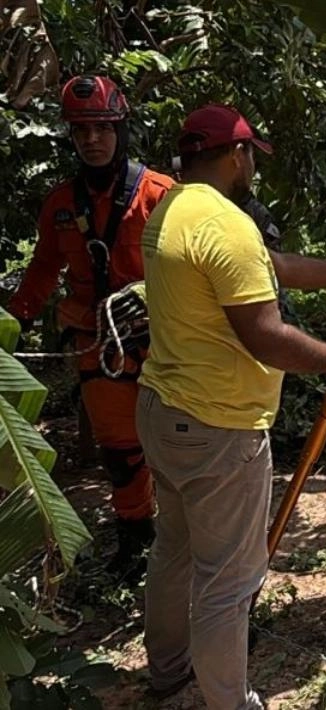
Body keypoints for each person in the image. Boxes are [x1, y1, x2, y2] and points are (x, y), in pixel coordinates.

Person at [136, 104, 326, 708]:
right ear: (236, 155)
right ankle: (227, 700)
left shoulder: (170, 209)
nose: (252, 166)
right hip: (217, 426)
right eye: (251, 155)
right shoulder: (227, 226)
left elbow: (273, 269)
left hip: (162, 410)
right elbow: (265, 335)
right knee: (227, 582)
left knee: (173, 550)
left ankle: (168, 671)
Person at [7, 75, 174, 577]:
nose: (93, 140)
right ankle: (135, 535)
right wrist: (12, 324)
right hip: (98, 346)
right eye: (81, 131)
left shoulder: (159, 194)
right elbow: (41, 270)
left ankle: (182, 534)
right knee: (119, 450)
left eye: (102, 128)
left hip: (161, 340)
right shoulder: (60, 205)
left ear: (121, 129)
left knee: (177, 441)